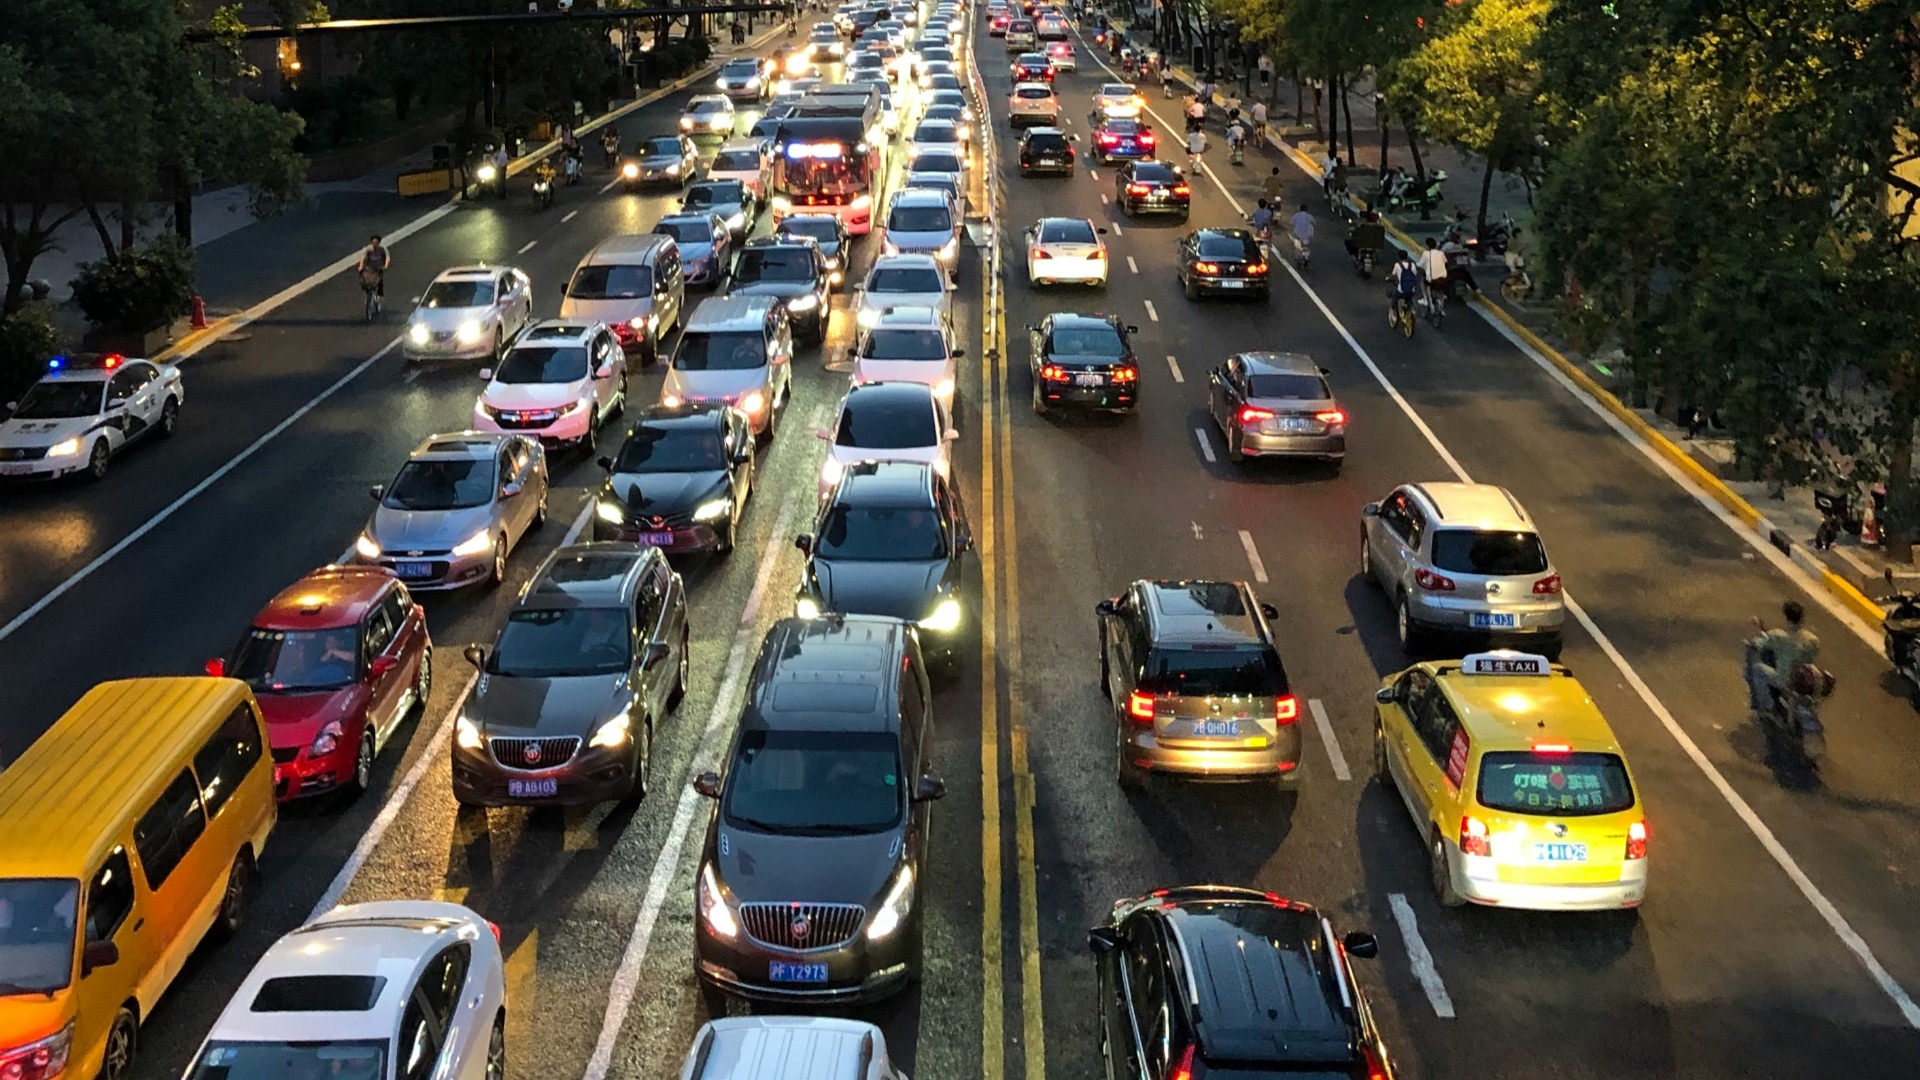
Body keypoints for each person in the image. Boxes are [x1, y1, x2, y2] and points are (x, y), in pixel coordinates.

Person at [1746, 601, 1821, 713]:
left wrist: (1753, 641)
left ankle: (1768, 706)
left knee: (1757, 669)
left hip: (1784, 679)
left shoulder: (1778, 636)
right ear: (1802, 619)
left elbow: (1760, 643)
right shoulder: (1812, 640)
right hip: (1803, 679)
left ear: (1787, 618)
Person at [357, 235, 389, 314]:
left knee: (379, 281)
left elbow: (387, 257)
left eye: (376, 242)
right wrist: (361, 266)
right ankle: (368, 296)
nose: (374, 244)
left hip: (379, 269)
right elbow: (363, 257)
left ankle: (379, 296)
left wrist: (385, 265)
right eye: (373, 242)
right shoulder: (368, 249)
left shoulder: (382, 249)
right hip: (370, 268)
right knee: (367, 281)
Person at [1387, 250, 1421, 325]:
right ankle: (1411, 309)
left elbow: (1393, 275)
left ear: (1399, 257)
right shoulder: (1412, 265)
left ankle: (1394, 315)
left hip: (1401, 290)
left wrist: (1388, 278)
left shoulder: (1397, 265)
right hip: (1411, 290)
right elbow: (1415, 274)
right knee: (1409, 299)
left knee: (1394, 299)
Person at [1416, 236, 1449, 312]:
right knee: (1441, 291)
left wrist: (1416, 265)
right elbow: (1446, 262)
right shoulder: (1441, 253)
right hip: (1443, 278)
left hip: (1432, 279)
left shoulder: (1426, 253)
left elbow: (1420, 264)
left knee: (1423, 283)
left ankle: (1425, 299)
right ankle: (1442, 308)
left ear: (1427, 246)